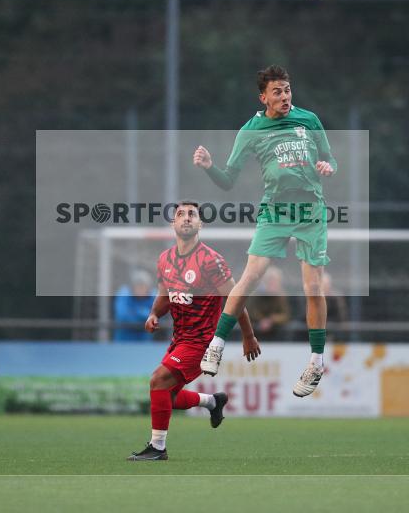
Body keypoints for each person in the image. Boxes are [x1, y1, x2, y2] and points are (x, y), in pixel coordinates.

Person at [193, 65, 336, 397]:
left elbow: (329, 159)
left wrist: (328, 166)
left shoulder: (309, 120)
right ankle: (216, 344)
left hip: (311, 210)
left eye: (287, 89)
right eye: (277, 91)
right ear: (263, 97)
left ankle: (316, 361)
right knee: (252, 275)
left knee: (313, 286)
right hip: (275, 210)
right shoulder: (251, 130)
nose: (284, 96)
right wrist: (209, 167)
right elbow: (228, 180)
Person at [127, 200, 260, 461]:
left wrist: (248, 335)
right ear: (173, 223)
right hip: (179, 339)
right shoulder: (165, 259)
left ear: (200, 224)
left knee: (158, 381)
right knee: (166, 396)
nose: (186, 218)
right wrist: (154, 313)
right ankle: (212, 401)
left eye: (192, 214)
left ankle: (158, 448)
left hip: (202, 341)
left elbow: (235, 300)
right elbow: (164, 295)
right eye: (180, 214)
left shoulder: (211, 260)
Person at [245, 266, 292, 341]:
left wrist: (271, 320)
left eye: (275, 282)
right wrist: (262, 320)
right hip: (256, 329)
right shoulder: (256, 295)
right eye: (270, 281)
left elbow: (285, 315)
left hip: (277, 331)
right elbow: (251, 312)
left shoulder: (281, 296)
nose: (273, 284)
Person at [113, 270, 157, 341]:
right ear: (132, 287)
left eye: (143, 286)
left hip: (145, 341)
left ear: (148, 288)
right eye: (137, 286)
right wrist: (144, 315)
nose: (140, 289)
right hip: (123, 341)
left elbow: (157, 318)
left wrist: (135, 312)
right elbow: (122, 316)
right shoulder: (124, 294)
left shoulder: (153, 296)